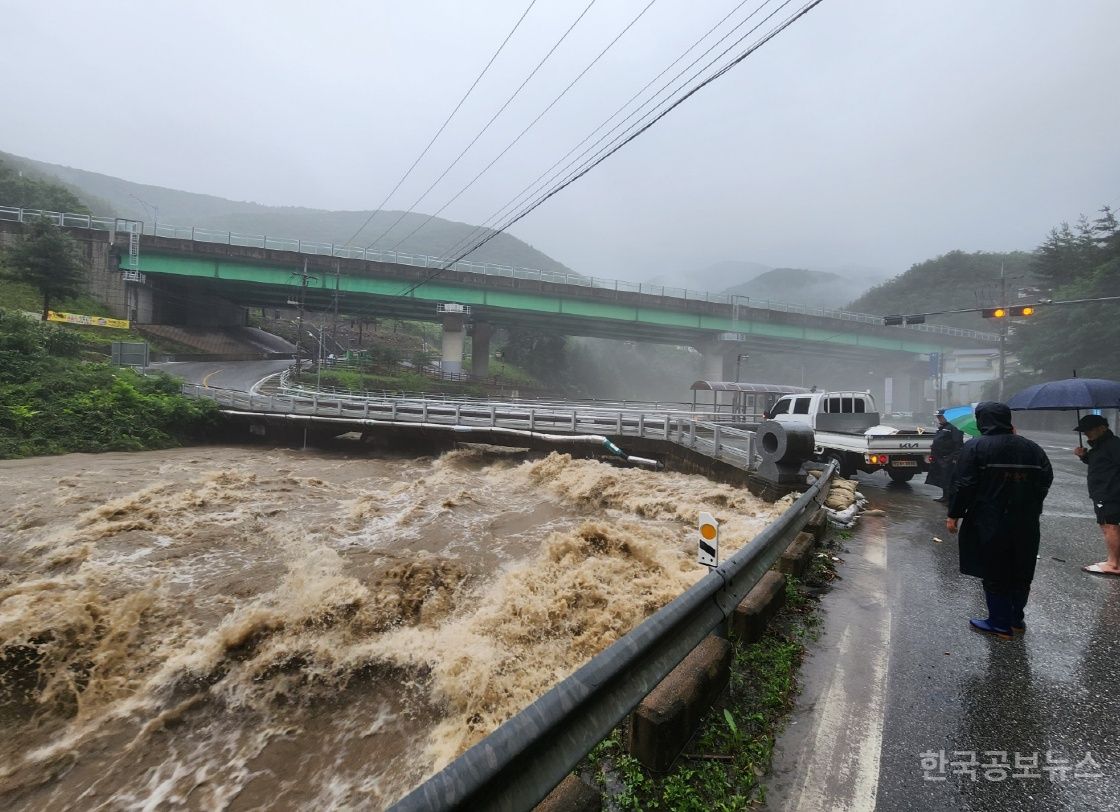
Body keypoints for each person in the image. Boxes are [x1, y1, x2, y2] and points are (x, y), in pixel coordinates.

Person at [946, 402, 1052, 639]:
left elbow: (964, 485)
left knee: (995, 570)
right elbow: (1045, 479)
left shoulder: (975, 447)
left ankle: (999, 623)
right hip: (1026, 521)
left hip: (989, 520)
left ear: (982, 421)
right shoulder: (1033, 448)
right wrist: (1031, 502)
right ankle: (1016, 619)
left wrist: (954, 514)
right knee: (1021, 569)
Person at [1073, 414, 1120, 576]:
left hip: (1109, 493)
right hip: (1105, 492)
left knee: (1109, 526)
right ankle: (1115, 561)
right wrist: (1084, 456)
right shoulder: (1102, 446)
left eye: (1089, 430)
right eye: (1084, 431)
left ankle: (1113, 564)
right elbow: (1101, 462)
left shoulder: (1112, 445)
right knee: (1109, 525)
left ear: (1102, 428)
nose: (1086, 433)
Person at [926, 409, 965, 503]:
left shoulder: (953, 427)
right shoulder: (943, 427)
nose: (939, 418)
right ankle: (945, 496)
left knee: (949, 479)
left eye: (940, 416)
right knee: (943, 478)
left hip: (948, 458)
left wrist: (952, 458)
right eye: (938, 417)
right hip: (940, 458)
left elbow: (958, 444)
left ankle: (950, 499)